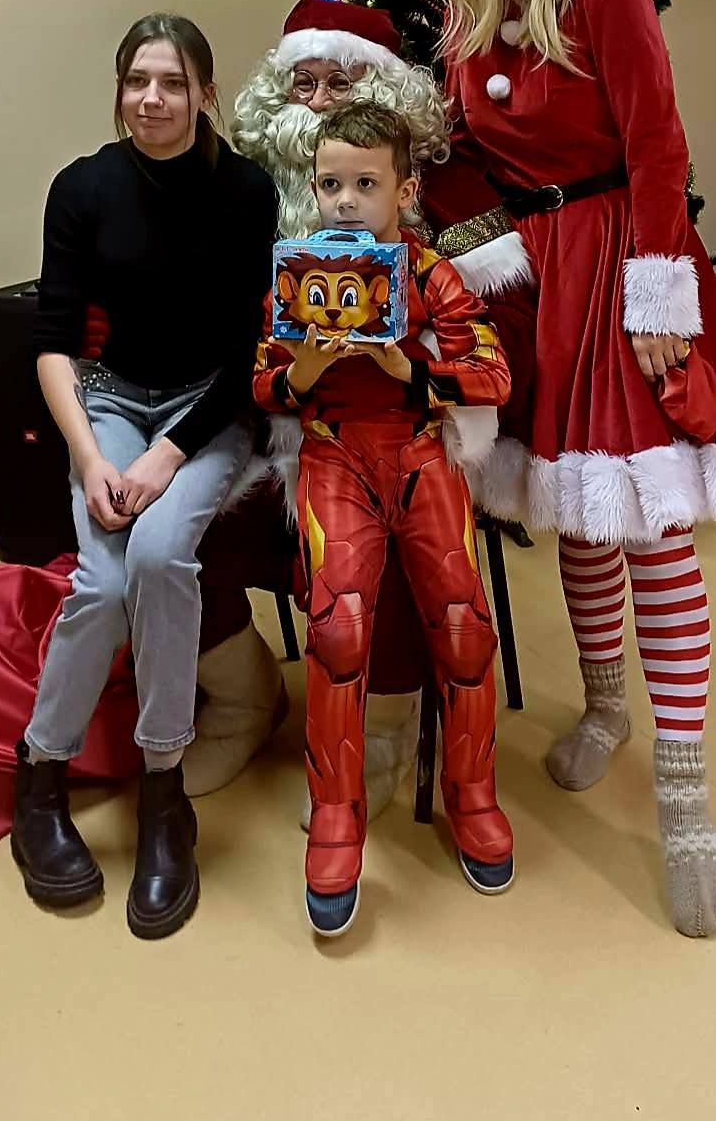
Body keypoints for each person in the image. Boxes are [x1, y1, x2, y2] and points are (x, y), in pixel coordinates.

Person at [431, 0, 716, 937]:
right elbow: (456, 163)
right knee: (577, 517)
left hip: (627, 265)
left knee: (652, 530)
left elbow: (659, 146)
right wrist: (472, 268)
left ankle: (683, 799)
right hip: (539, 283)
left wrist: (660, 295)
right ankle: (605, 707)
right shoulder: (470, 17)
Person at [184, 0, 533, 814]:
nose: (314, 103)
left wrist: (418, 360)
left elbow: (510, 325)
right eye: (299, 83)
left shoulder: (442, 191)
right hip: (269, 423)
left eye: (337, 82)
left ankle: (382, 736)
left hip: (413, 430)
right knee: (180, 532)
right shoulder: (245, 193)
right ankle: (243, 701)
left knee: (402, 557)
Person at [10, 13, 276, 941]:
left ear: (205, 93)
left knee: (161, 557)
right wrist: (92, 458)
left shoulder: (244, 191)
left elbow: (249, 352)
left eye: (171, 82)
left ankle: (163, 790)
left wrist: (168, 456)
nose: (151, 100)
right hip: (112, 401)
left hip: (210, 410)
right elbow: (52, 341)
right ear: (119, 89)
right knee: (103, 577)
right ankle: (39, 775)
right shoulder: (82, 187)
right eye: (136, 82)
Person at [255, 103, 514, 936]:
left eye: (364, 184)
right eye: (328, 183)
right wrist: (303, 368)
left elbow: (492, 372)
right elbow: (262, 383)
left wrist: (409, 368)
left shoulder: (430, 273)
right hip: (334, 456)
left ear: (403, 192)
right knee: (336, 631)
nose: (343, 201)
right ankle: (336, 816)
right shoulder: (297, 274)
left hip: (419, 451)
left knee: (464, 627)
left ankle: (472, 793)